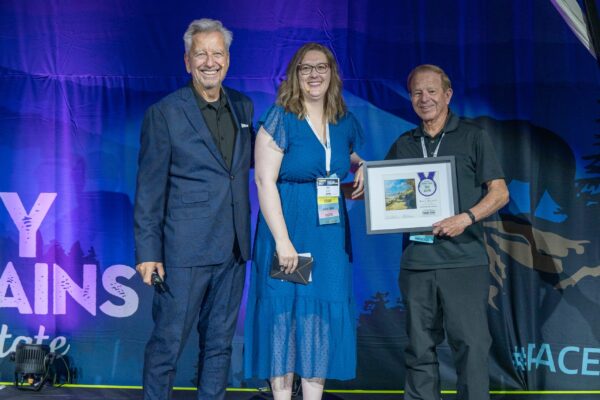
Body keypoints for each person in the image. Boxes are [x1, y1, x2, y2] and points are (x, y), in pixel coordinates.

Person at [133, 18, 254, 400]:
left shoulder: (244, 106)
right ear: (187, 61)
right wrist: (149, 252)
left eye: (217, 53)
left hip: (233, 249)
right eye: (200, 53)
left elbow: (263, 162)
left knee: (219, 346)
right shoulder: (165, 112)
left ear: (228, 60)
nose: (209, 61)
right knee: (168, 344)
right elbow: (149, 189)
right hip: (183, 251)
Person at [243, 43, 365, 400]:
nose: (314, 74)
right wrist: (282, 241)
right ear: (295, 75)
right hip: (288, 231)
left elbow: (348, 156)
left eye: (321, 67)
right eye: (305, 68)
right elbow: (265, 181)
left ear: (332, 73)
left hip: (329, 237)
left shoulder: (343, 120)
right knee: (283, 317)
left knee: (320, 319)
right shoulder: (281, 117)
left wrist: (366, 168)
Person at [385, 64, 509, 400]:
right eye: (416, 92)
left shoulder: (473, 137)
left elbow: (499, 193)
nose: (424, 99)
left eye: (431, 91)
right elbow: (387, 198)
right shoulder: (404, 144)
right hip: (417, 264)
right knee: (419, 348)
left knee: (471, 346)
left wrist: (466, 217)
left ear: (447, 94)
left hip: (463, 262)